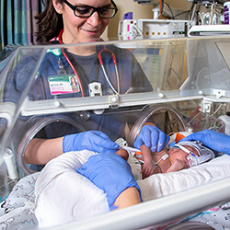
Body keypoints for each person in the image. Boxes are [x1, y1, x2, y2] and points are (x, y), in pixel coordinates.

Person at [3, 0, 169, 169]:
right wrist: (71, 144)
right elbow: (18, 147)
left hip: (117, 167)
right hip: (59, 177)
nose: (95, 21)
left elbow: (144, 114)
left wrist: (145, 130)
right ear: (58, 5)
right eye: (82, 10)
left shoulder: (123, 61)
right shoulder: (34, 67)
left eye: (103, 10)